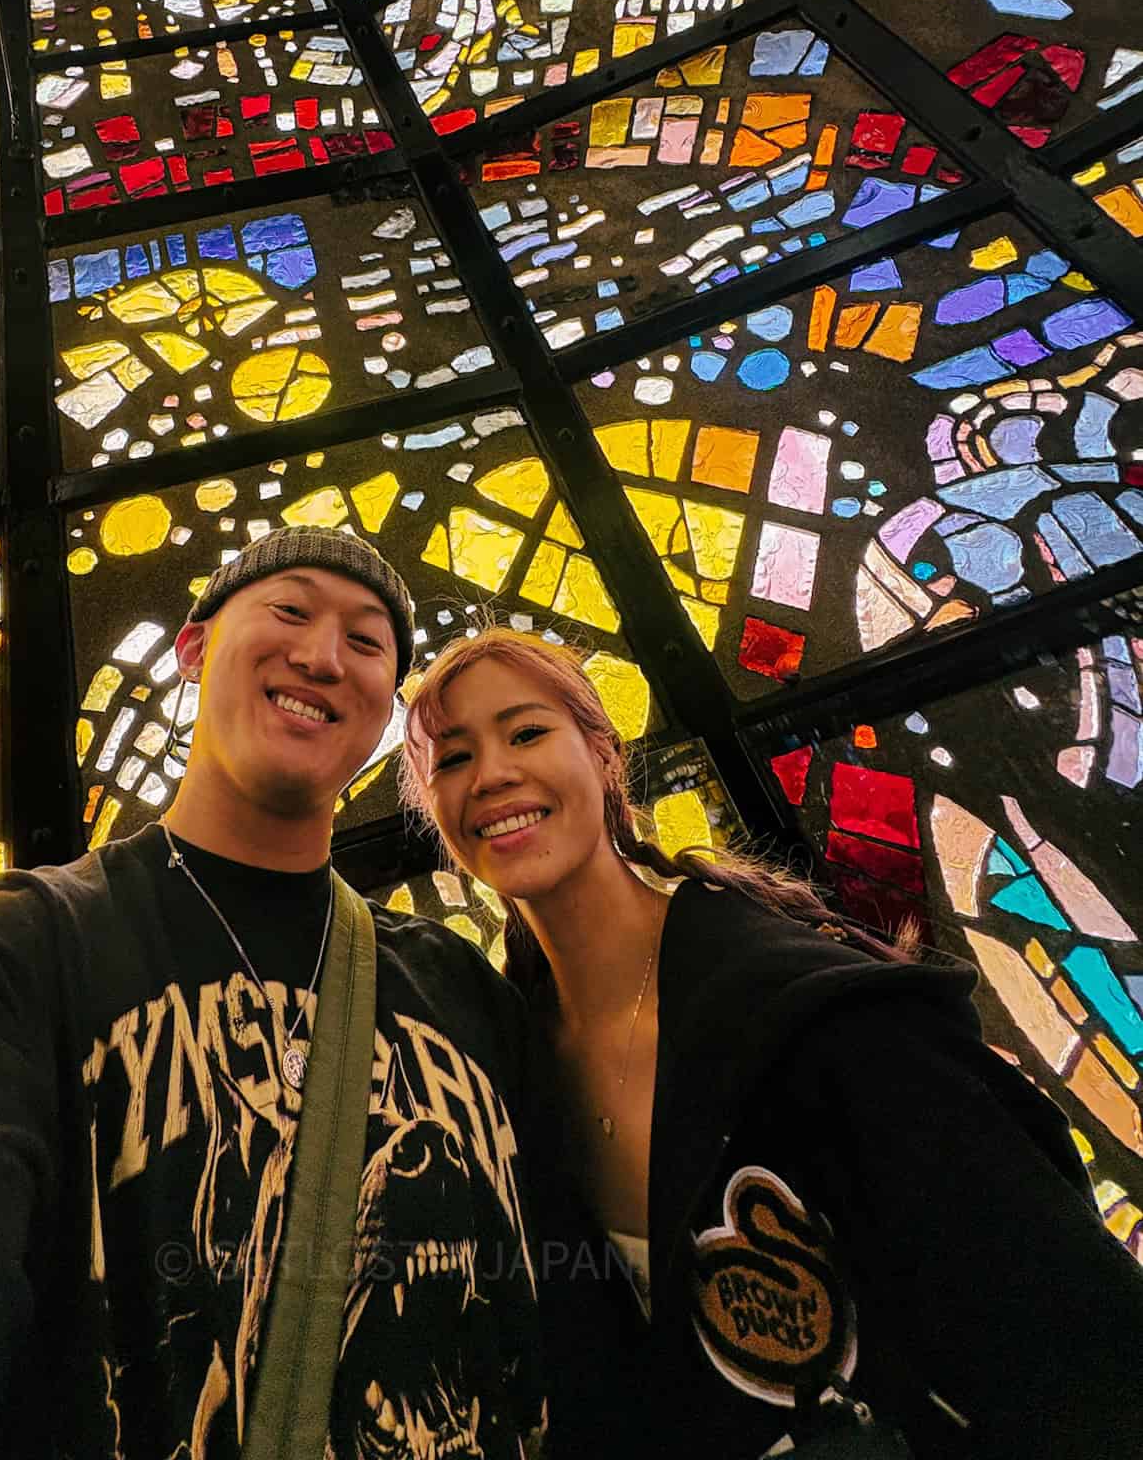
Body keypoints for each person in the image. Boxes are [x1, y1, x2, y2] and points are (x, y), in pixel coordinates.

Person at [0, 532, 547, 1460]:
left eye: (367, 644)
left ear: (384, 716)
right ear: (193, 650)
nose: (322, 655)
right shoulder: (5, 954)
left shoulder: (461, 989)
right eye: (289, 610)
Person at [399, 625, 1143, 1458]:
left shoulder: (819, 1013)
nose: (493, 774)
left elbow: (1066, 1327)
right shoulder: (502, 1074)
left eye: (527, 732)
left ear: (603, 756)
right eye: (452, 759)